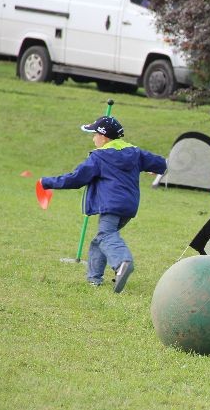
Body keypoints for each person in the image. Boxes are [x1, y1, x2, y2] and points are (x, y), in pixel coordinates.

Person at [40, 116, 167, 292]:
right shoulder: (135, 152)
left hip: (111, 205)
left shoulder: (99, 157)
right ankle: (94, 279)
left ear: (104, 137)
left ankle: (122, 262)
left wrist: (46, 182)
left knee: (106, 235)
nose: (93, 139)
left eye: (94, 134)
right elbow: (161, 163)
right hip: (129, 207)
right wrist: (157, 168)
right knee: (99, 239)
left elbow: (76, 179)